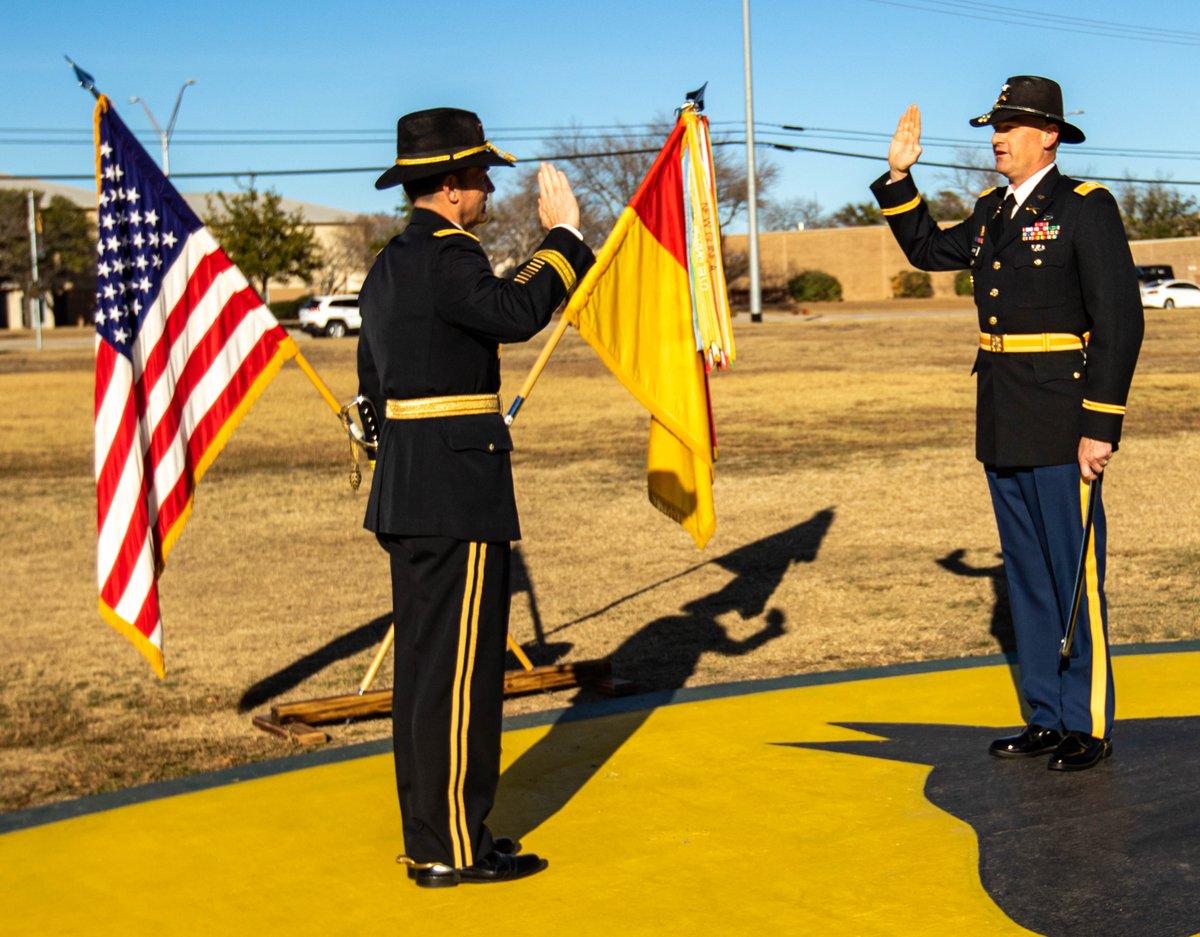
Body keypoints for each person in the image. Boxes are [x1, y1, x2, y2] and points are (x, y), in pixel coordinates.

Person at [870, 76, 1143, 771]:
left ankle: (1088, 724)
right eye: (995, 125)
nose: (997, 136)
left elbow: (1120, 321)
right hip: (1004, 416)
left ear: (1048, 134)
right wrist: (901, 178)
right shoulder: (993, 210)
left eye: (1012, 124)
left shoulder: (1086, 207)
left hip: (1062, 419)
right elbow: (931, 251)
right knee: (1025, 574)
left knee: (1072, 574)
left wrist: (1101, 424)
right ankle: (1046, 717)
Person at [357, 107, 593, 885]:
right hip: (456, 488)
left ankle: (435, 831)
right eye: (482, 175)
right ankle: (450, 848)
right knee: (460, 677)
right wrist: (562, 239)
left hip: (410, 483)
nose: (490, 187)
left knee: (426, 676)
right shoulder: (449, 253)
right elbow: (510, 313)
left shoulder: (391, 261)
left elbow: (373, 379)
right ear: (452, 187)